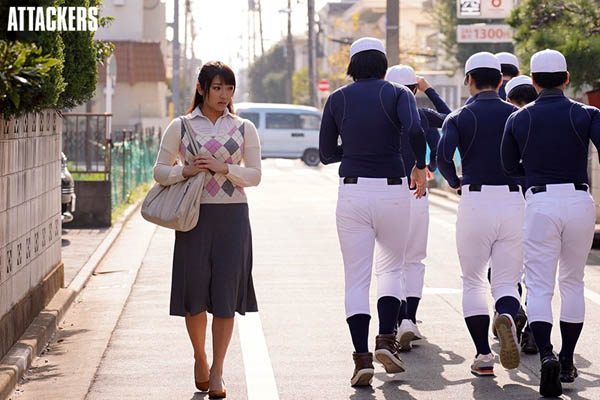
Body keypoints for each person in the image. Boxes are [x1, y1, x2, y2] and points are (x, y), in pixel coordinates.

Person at [319, 37, 427, 387]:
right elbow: (414, 130)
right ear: (382, 64)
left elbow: (324, 153)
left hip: (352, 191)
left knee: (356, 277)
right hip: (393, 190)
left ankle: (361, 359)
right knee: (392, 267)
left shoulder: (336, 99)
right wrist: (420, 166)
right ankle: (385, 339)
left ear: (352, 65)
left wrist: (353, 149)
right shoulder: (398, 94)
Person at [152, 61, 261, 398]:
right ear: (201, 88)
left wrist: (224, 167)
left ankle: (217, 370)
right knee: (194, 297)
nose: (223, 95)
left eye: (228, 89)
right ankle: (200, 357)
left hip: (233, 220)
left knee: (226, 297)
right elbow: (159, 171)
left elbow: (254, 175)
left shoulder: (244, 127)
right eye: (217, 88)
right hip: (193, 219)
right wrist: (184, 172)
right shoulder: (181, 126)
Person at [501, 49, 600, 397]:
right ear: (567, 78)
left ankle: (546, 357)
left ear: (532, 81)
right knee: (572, 282)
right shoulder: (587, 113)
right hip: (578, 200)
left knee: (540, 286)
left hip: (540, 201)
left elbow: (509, 166)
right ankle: (569, 359)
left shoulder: (518, 118)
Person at [437, 52, 523, 377]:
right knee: (506, 281)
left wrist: (455, 181)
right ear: (501, 81)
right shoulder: (517, 115)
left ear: (469, 81)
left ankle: (484, 356)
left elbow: (445, 156)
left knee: (472, 280)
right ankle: (506, 316)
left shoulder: (459, 117)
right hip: (513, 201)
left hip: (475, 199)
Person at [385, 65, 451, 350]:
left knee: (391, 262)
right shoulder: (422, 116)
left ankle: (399, 321)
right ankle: (409, 319)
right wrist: (430, 90)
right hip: (416, 191)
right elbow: (452, 118)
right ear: (414, 90)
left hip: (384, 191)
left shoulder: (380, 116)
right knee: (414, 259)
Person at [502, 74, 540, 355]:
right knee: (538, 272)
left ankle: (513, 310)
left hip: (515, 199)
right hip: (542, 200)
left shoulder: (513, 120)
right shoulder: (547, 121)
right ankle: (533, 332)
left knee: (506, 265)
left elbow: (507, 163)